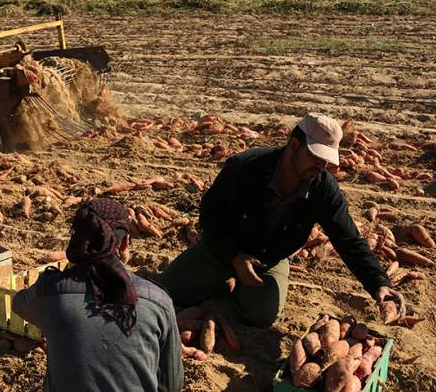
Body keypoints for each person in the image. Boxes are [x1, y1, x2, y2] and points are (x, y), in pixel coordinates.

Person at [12, 198, 183, 392]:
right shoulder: (159, 299)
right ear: (126, 242)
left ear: (76, 242)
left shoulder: (52, 290)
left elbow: (18, 306)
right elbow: (171, 387)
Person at [157, 113, 400, 327]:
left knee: (261, 315)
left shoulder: (323, 188)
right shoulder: (244, 168)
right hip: (223, 247)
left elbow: (349, 240)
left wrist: (379, 283)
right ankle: (220, 279)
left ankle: (234, 289)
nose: (321, 165)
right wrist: (234, 256)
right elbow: (209, 216)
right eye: (315, 156)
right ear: (293, 144)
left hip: (269, 256)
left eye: (326, 159)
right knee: (168, 291)